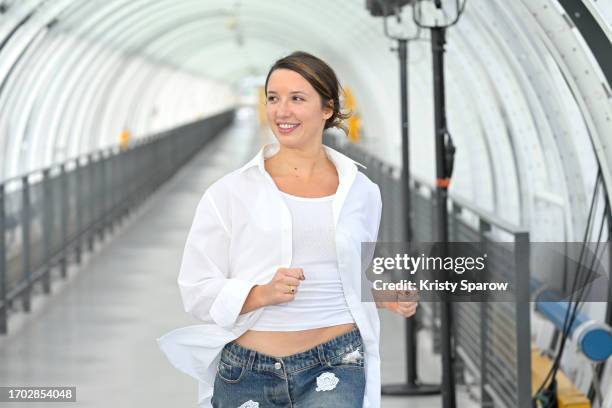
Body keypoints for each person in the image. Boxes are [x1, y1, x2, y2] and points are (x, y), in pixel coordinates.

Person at [157, 51, 418, 408]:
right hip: (248, 370)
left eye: (297, 98)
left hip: (338, 363)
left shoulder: (362, 192)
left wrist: (382, 296)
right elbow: (197, 289)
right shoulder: (230, 192)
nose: (282, 111)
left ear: (327, 108)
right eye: (273, 99)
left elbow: (344, 276)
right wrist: (261, 293)